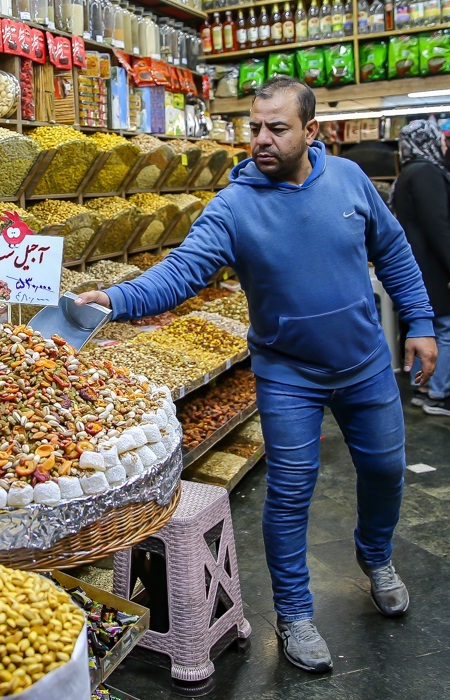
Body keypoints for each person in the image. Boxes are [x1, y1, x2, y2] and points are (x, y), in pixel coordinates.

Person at [76, 76, 438, 673]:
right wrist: (113, 300)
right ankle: (295, 613)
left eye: (277, 128)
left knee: (386, 469)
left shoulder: (348, 180)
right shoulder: (234, 207)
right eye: (254, 127)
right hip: (288, 370)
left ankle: (375, 556)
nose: (262, 139)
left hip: (366, 362)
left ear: (310, 131)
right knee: (291, 493)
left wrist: (420, 321)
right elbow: (181, 273)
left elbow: (393, 249)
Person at [391, 120, 450, 417]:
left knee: (428, 327)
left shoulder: (407, 173)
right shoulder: (426, 172)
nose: (444, 145)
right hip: (432, 267)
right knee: (444, 328)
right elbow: (438, 225)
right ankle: (437, 394)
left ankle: (424, 387)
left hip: (417, 264)